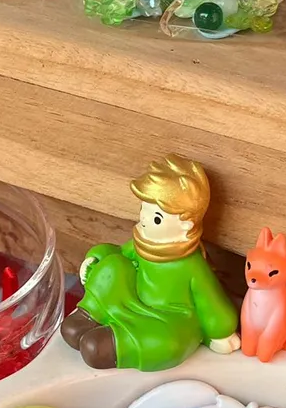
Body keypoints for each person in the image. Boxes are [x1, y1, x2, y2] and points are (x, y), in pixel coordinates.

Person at [61, 155, 240, 370]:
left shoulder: (191, 266)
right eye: (143, 212)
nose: (144, 220)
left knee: (170, 341)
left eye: (156, 218)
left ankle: (117, 344)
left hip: (165, 319)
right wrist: (97, 257)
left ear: (186, 225)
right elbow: (118, 252)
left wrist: (221, 331)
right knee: (114, 266)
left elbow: (210, 301)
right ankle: (92, 313)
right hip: (129, 300)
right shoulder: (141, 245)